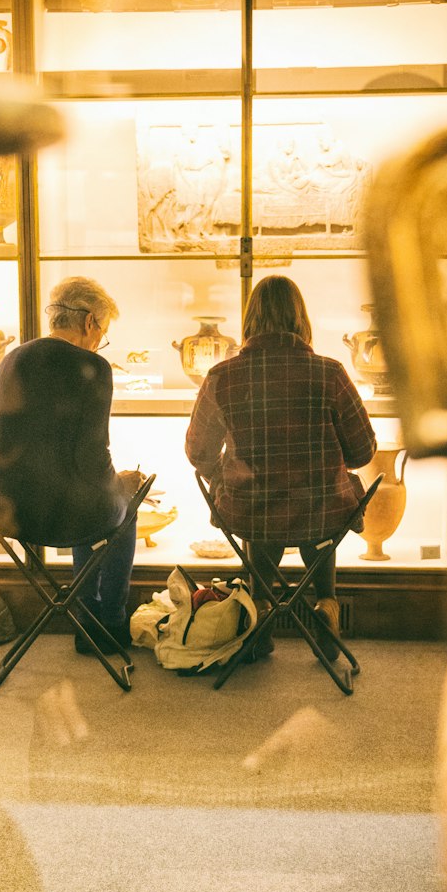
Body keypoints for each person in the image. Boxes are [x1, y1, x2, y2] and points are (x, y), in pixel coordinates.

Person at [184, 273, 376, 657]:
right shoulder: (330, 372)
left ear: (249, 322)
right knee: (320, 519)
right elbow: (362, 451)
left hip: (251, 510)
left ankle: (262, 609)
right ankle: (326, 603)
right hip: (320, 508)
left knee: (259, 516)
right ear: (301, 320)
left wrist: (229, 476)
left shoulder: (222, 376)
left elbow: (198, 451)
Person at [0, 276, 146, 654]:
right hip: (70, 515)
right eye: (102, 333)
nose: (98, 342)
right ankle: (111, 624)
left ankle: (83, 618)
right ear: (89, 323)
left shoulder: (9, 361)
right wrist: (121, 485)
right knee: (122, 506)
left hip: (12, 514)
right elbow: (92, 463)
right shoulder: (94, 368)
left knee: (90, 500)